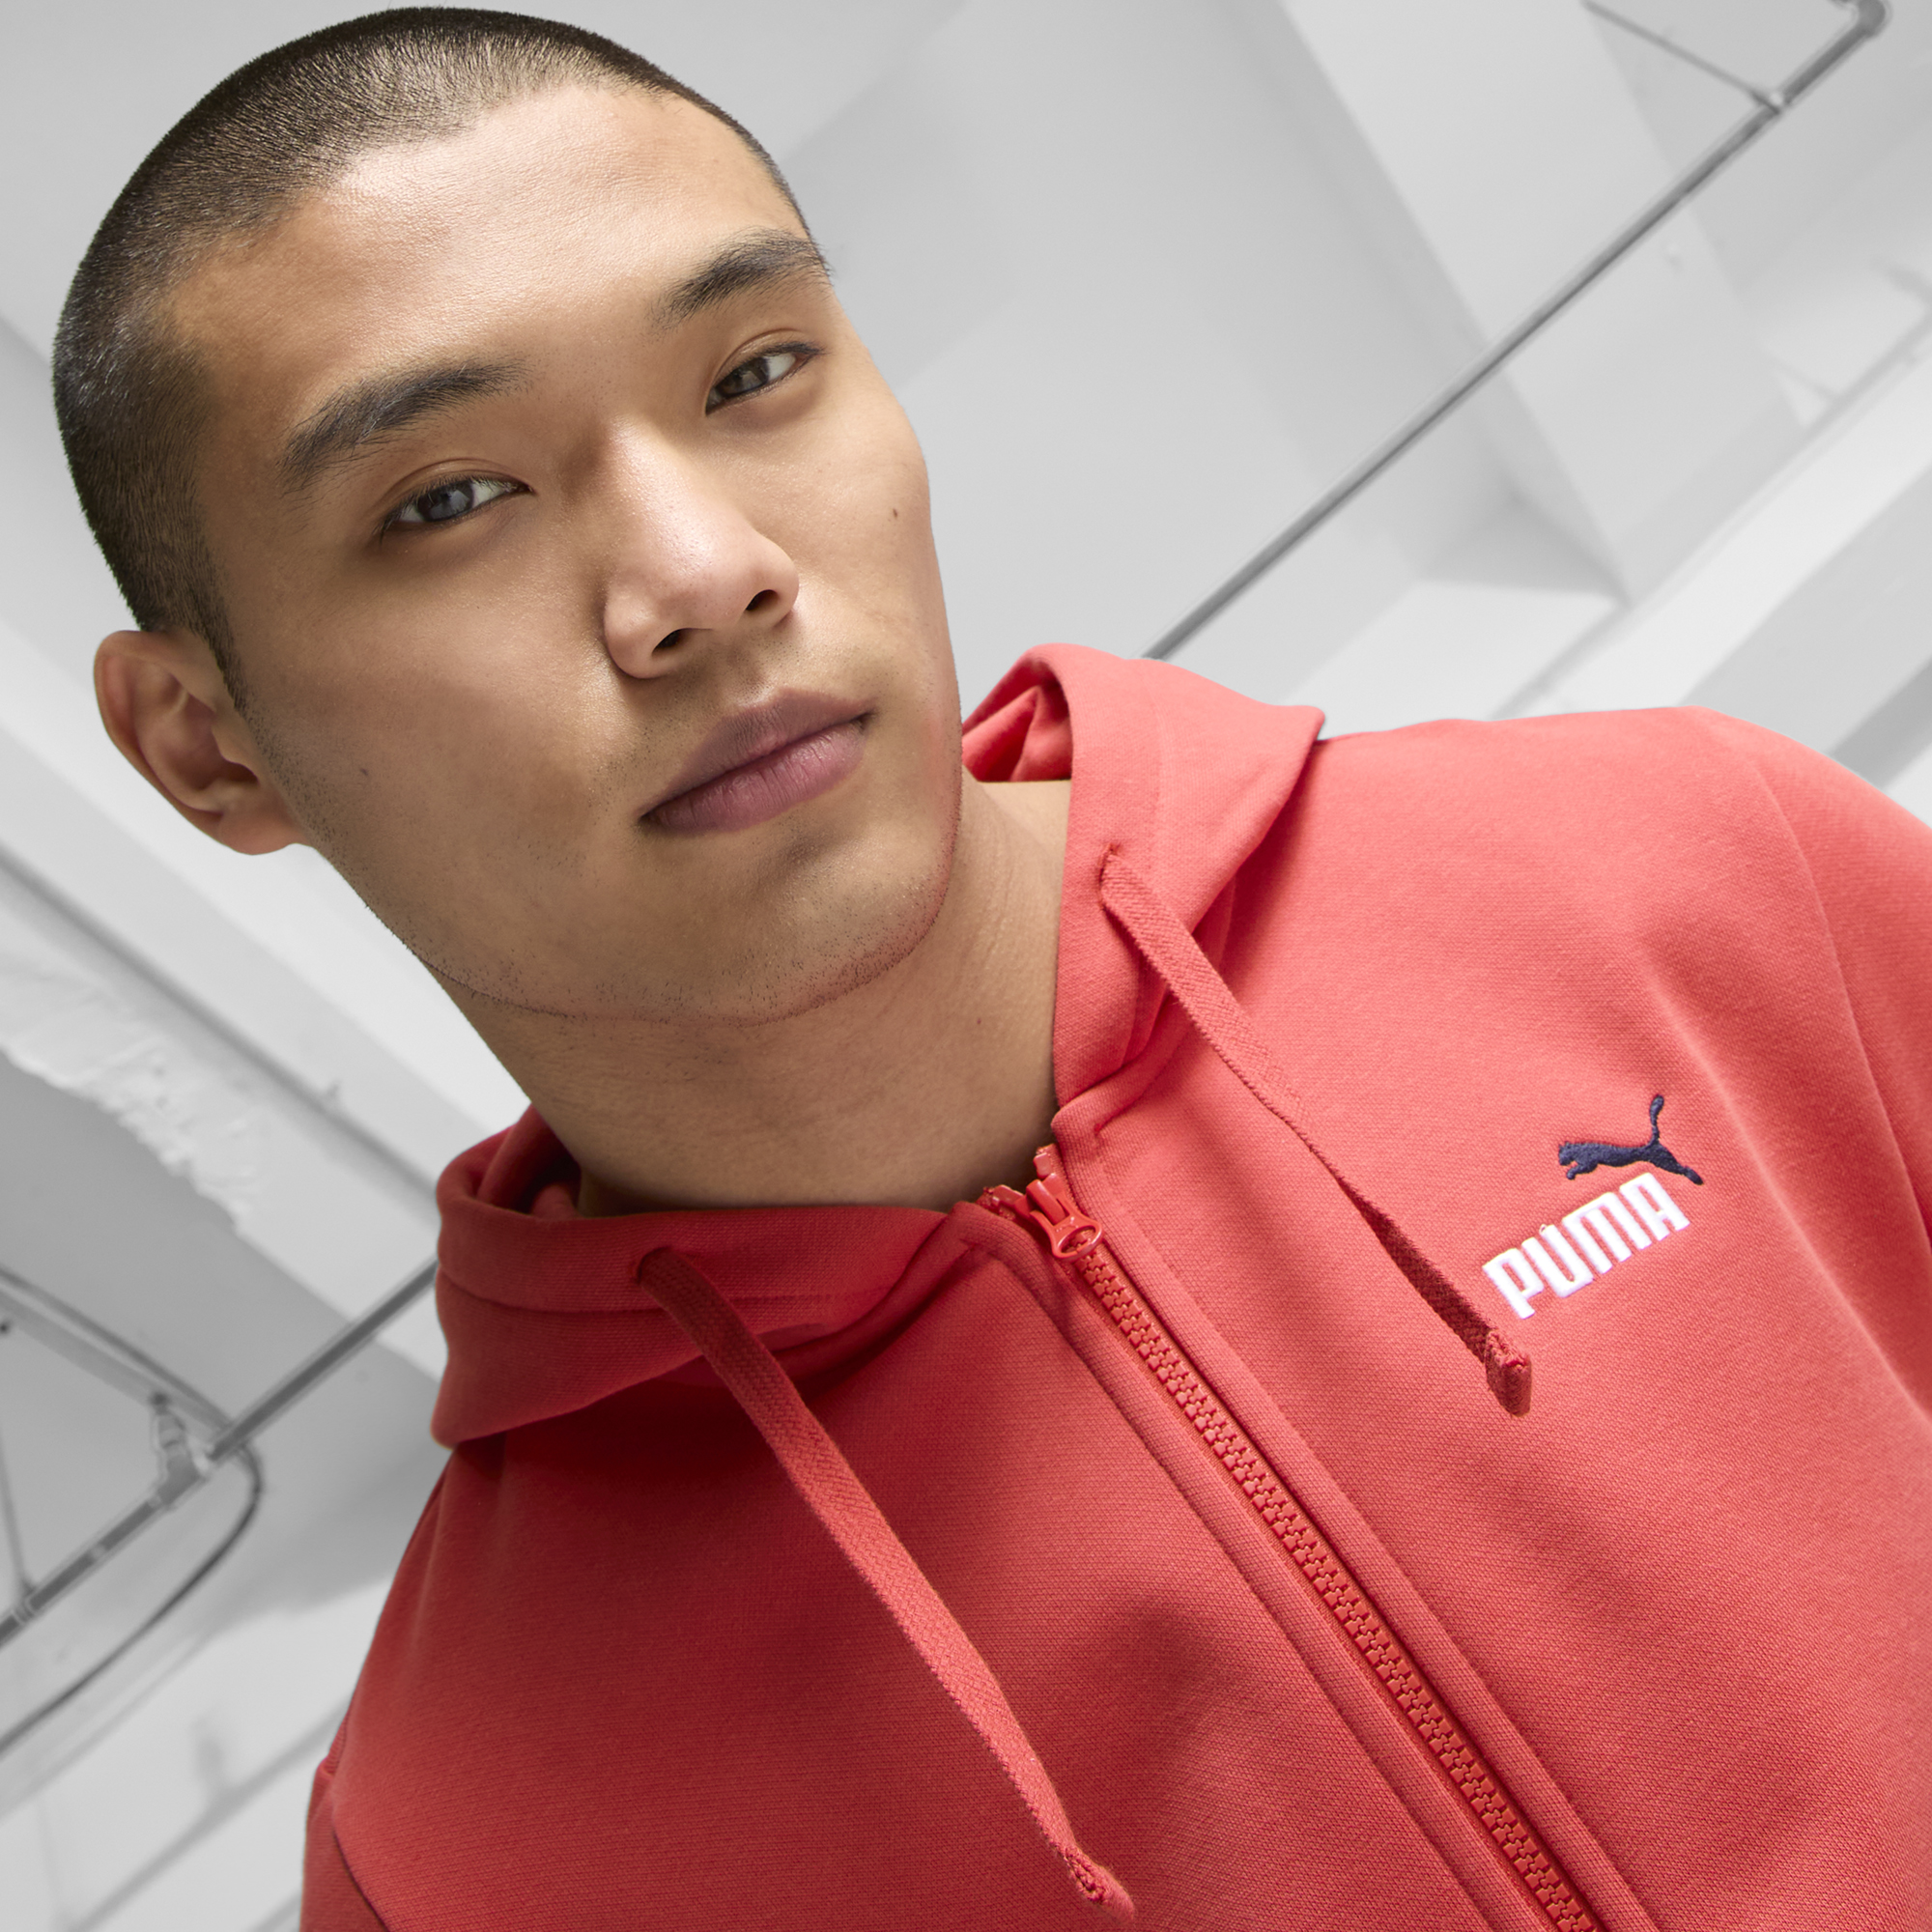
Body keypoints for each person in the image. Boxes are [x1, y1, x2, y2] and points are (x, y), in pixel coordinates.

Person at [56, 10, 1932, 1929]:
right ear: (211, 748)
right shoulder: (453, 1859)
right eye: (447, 501)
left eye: (754, 370)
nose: (702, 572)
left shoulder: (1676, 863)